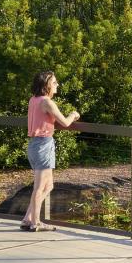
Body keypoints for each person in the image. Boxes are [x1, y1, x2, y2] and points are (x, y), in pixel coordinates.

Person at [22, 70, 80, 231]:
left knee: (48, 186)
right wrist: (73, 114)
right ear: (46, 85)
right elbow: (65, 122)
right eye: (54, 82)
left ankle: (28, 218)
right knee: (40, 187)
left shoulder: (33, 100)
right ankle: (35, 223)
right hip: (43, 145)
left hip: (35, 145)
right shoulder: (47, 102)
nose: (57, 85)